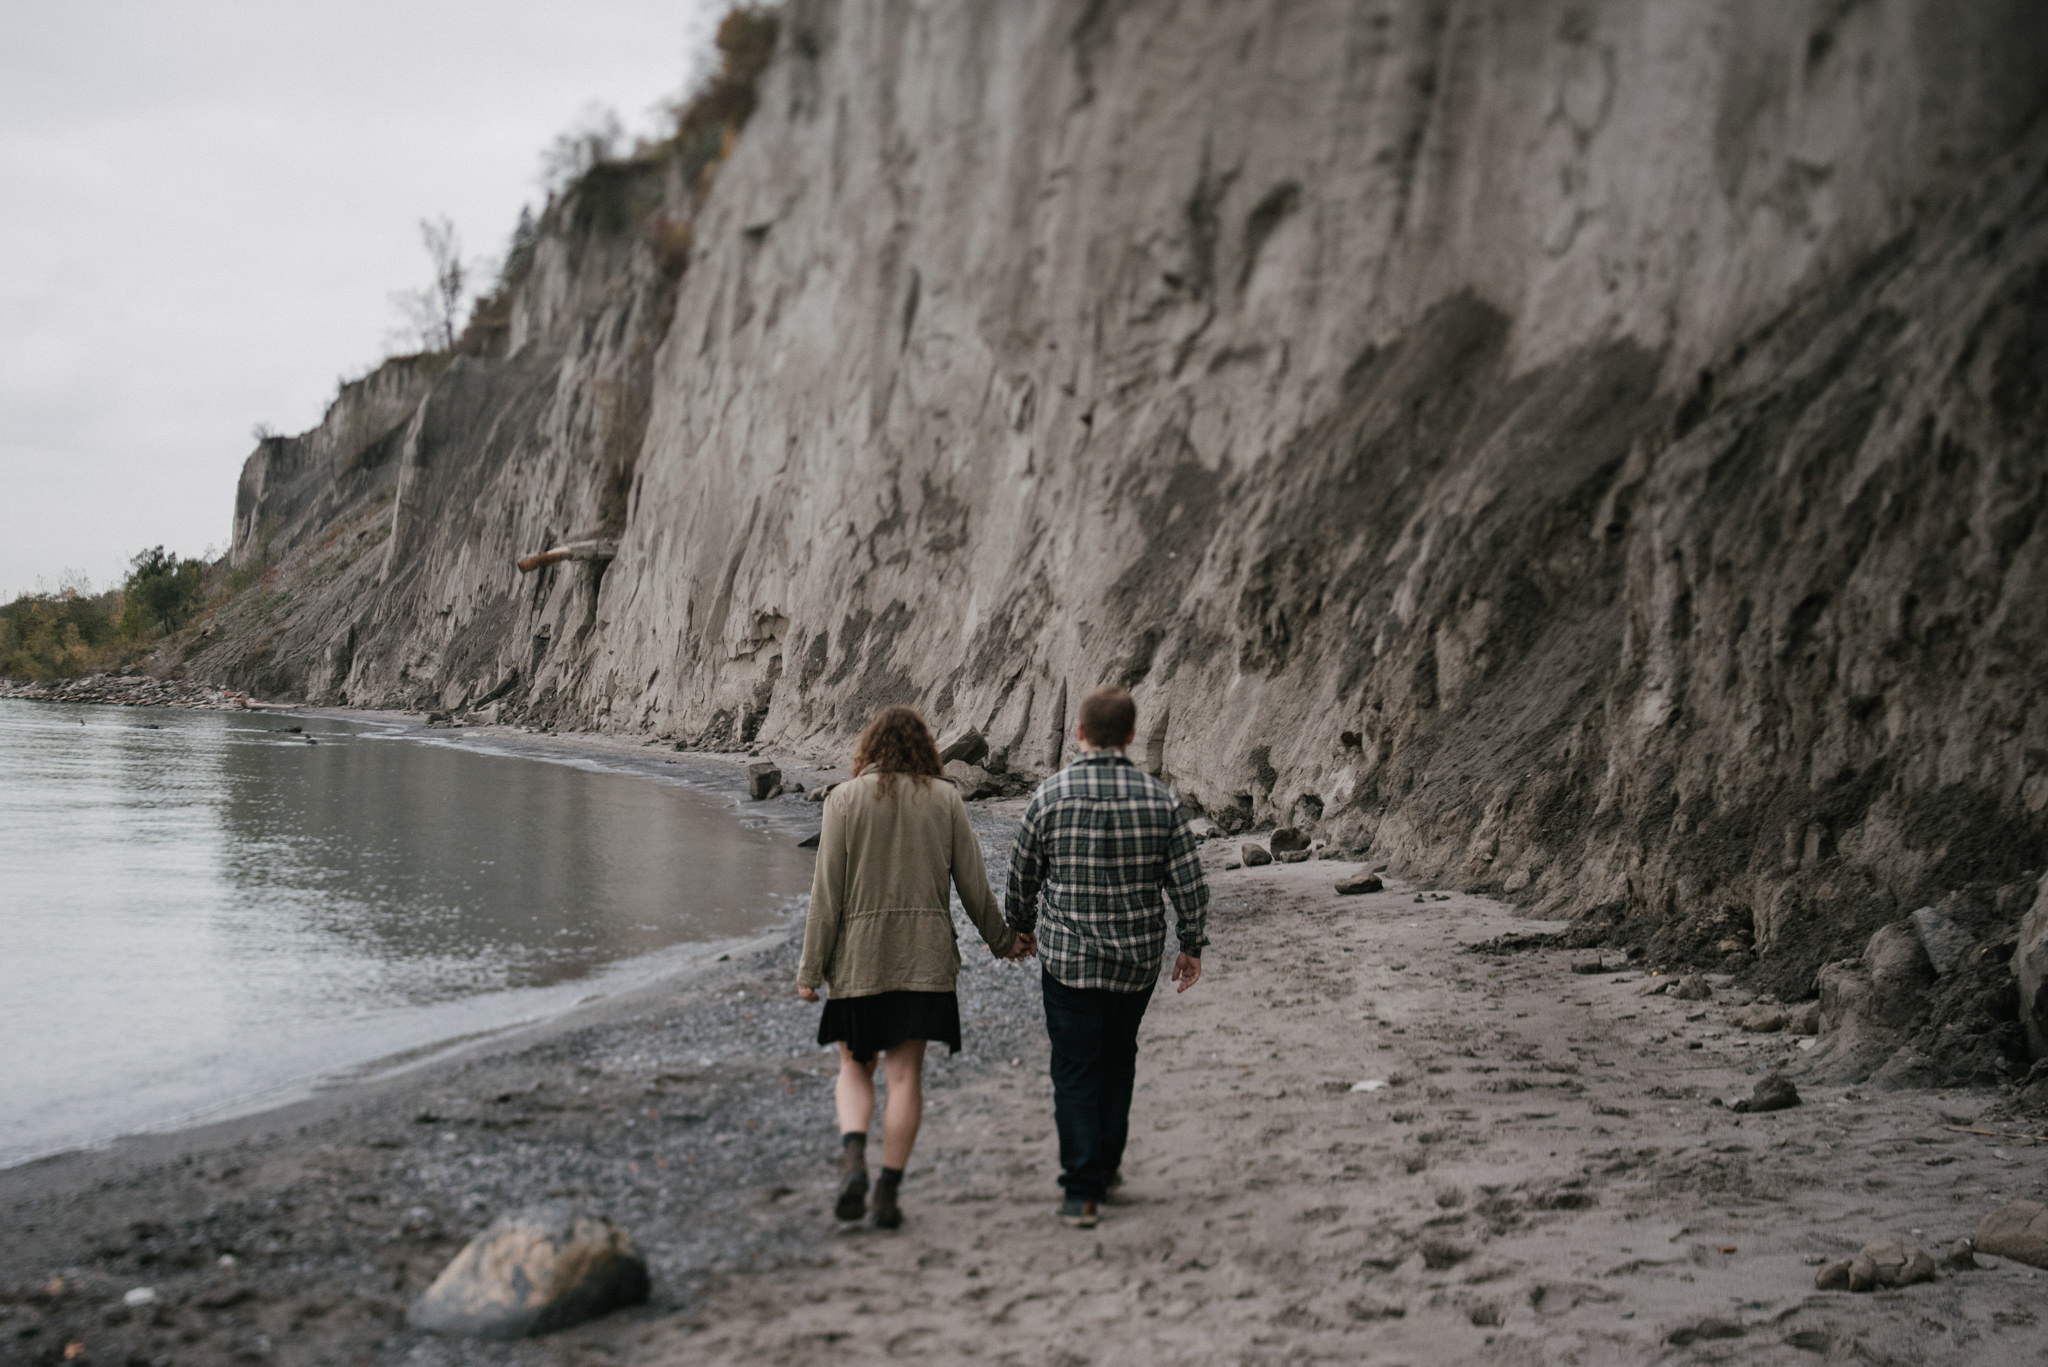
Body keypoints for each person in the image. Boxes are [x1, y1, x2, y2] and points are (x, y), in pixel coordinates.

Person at [797, 705, 1023, 1229]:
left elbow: (825, 897)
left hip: (859, 960)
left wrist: (810, 972)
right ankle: (887, 1193)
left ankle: (853, 1158)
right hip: (924, 961)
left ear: (869, 749)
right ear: (923, 749)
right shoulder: (944, 799)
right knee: (904, 1078)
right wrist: (1004, 940)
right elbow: (973, 886)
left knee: (855, 1066)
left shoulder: (843, 801)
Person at [1005, 684, 1209, 1228]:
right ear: (1132, 736)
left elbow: (1022, 876)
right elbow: (1188, 883)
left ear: (1079, 733)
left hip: (1068, 961)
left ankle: (1081, 1190)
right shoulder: (1159, 800)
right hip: (1136, 960)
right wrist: (1190, 943)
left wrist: (1019, 929)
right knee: (1118, 1060)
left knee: (1074, 1069)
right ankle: (1107, 1166)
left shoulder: (1048, 796)